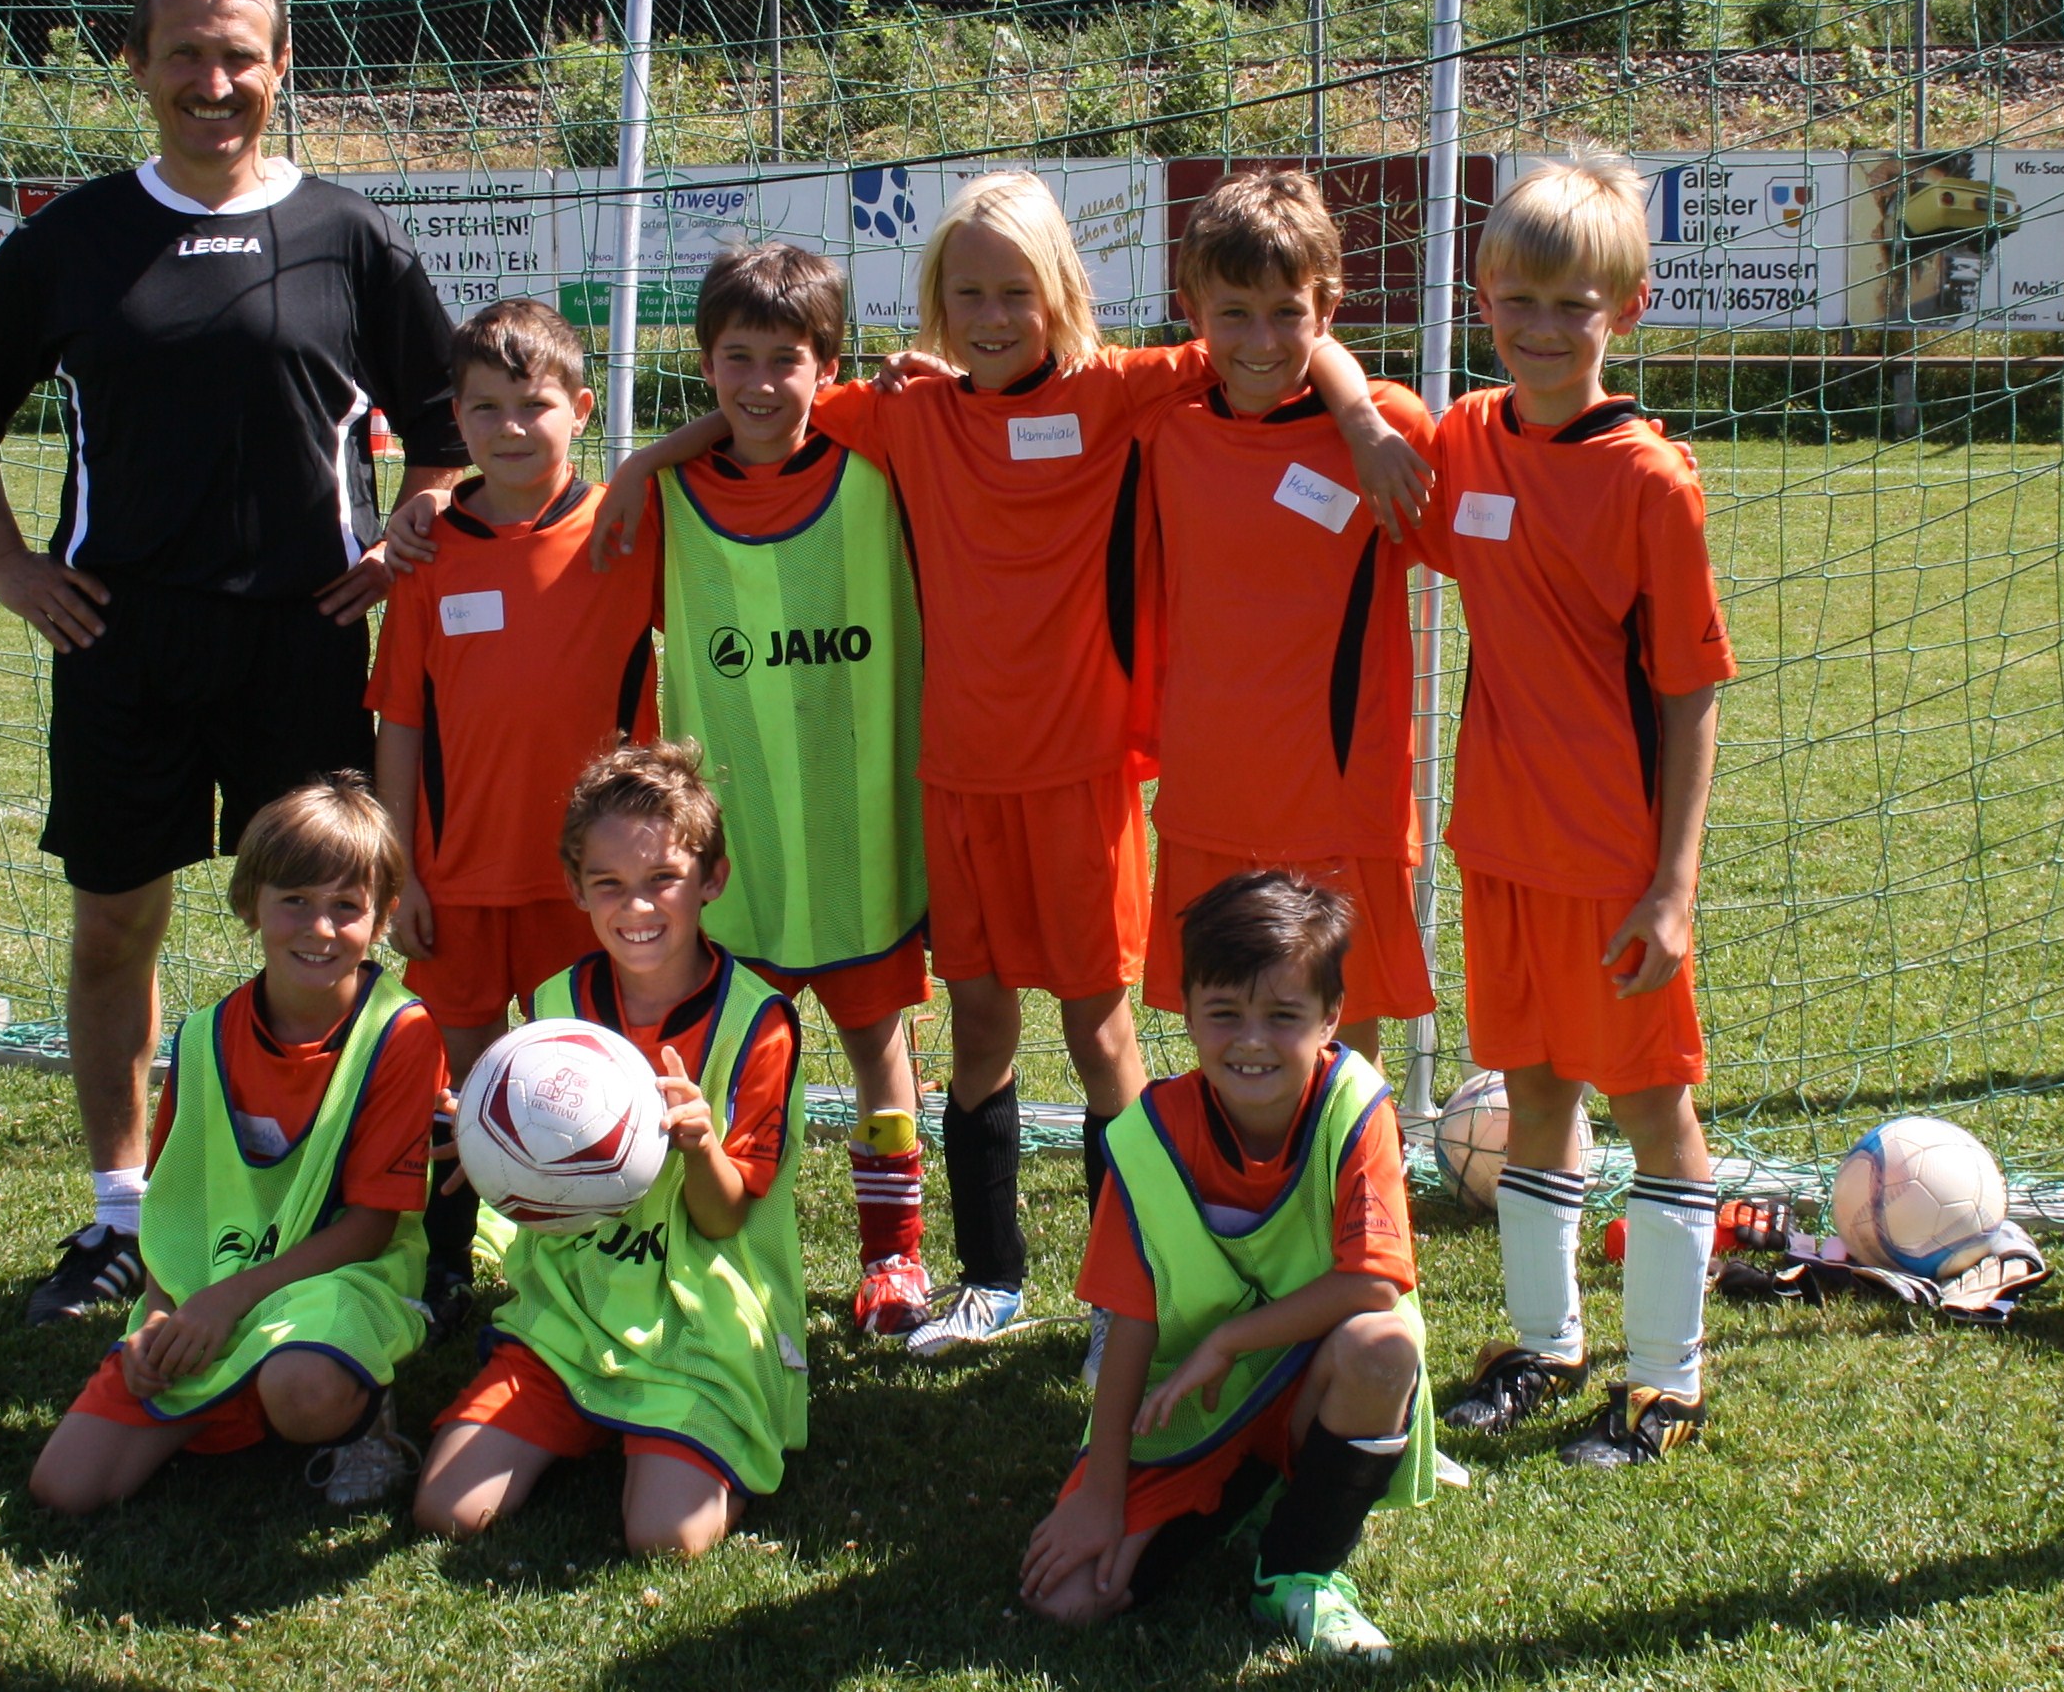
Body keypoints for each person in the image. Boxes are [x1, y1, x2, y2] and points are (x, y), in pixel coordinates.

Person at [599, 173, 1429, 1373]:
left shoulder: (1120, 391)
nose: (993, 317)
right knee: (981, 1028)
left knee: (1100, 1037)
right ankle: (991, 1276)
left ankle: (1123, 1295)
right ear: (938, 300)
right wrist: (643, 465)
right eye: (969, 293)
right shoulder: (910, 413)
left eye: (1016, 293)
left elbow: (1273, 334)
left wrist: (1356, 416)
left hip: (1082, 778)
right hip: (955, 778)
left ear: (1061, 295)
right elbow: (767, 413)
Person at [0, 0, 466, 1326]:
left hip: (304, 638)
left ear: (280, 69)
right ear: (139, 67)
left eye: (238, 58)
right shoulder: (75, 238)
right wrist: (7, 561)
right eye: (185, 56)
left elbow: (446, 425)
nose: (212, 84)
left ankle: (338, 1203)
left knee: (335, 925)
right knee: (117, 921)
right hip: (123, 637)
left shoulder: (348, 233)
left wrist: (402, 535)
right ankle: (120, 1211)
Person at [1408, 156, 1736, 1467]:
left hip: (1610, 865)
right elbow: (1371, 461)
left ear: (1628, 309)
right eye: (1518, 300)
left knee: (1653, 1108)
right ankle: (1545, 1346)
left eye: (1572, 304)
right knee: (1534, 1093)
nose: (1541, 327)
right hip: (1499, 845)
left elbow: (1691, 694)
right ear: (1482, 298)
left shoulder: (1651, 481)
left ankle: (1666, 1380)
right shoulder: (1469, 436)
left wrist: (1672, 886)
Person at [635, 242, 935, 1337]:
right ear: (703, 363)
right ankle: (712, 1250)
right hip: (733, 853)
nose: (759, 384)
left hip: (862, 836)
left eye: (786, 360)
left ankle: (893, 1256)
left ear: (830, 366)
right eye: (736, 358)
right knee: (717, 1059)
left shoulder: (882, 465)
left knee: (877, 1045)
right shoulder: (664, 495)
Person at [1018, 870, 1433, 1659]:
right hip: (1191, 1406)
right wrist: (1101, 1491)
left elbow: (1374, 1281)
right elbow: (1130, 1319)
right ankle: (1243, 1493)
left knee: (1383, 1344)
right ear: (1186, 1011)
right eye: (1224, 1013)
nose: (1250, 1040)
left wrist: (1230, 1338)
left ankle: (1296, 1570)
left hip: (1312, 1378)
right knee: (1066, 1600)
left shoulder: (1356, 1107)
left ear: (1330, 1017)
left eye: (1282, 1015)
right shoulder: (1147, 1135)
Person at [413, 743, 808, 1557]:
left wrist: (699, 1144)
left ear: (712, 878)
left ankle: (690, 1430)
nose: (637, 906)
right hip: (572, 1308)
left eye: (663, 877)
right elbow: (545, 1168)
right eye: (609, 883)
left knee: (665, 1536)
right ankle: (592, 1411)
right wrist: (487, 1146)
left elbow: (725, 1218)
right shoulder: (556, 1006)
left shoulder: (756, 1022)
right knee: (447, 1509)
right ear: (575, 887)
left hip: (700, 1322)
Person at [26, 775, 443, 1513]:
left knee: (303, 1390)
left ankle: (359, 1420)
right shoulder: (204, 1039)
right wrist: (162, 1311)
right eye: (295, 901)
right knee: (66, 1487)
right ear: (250, 903)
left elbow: (372, 1226)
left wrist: (226, 1302)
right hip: (215, 1286)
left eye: (346, 907)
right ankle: (235, 1388)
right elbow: (175, 1208)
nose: (320, 929)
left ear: (382, 918)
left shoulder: (400, 1033)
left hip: (343, 1283)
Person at [366, 299, 659, 1336]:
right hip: (457, 875)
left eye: (534, 404)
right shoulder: (428, 555)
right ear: (453, 420)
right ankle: (448, 1265)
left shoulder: (629, 528)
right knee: (463, 1080)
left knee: (590, 1082)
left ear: (580, 408)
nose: (511, 427)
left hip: (593, 884)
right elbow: (401, 723)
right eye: (484, 408)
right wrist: (398, 871)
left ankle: (588, 1271)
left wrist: (654, 459)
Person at [1138, 170, 1439, 1070]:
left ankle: (1356, 1168)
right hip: (1206, 796)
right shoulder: (1163, 423)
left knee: (1345, 1038)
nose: (1261, 341)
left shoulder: (1385, 432)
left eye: (1286, 313)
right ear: (1191, 310)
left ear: (1328, 309)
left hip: (1338, 805)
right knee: (1226, 1031)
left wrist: (1355, 416)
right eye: (1233, 314)